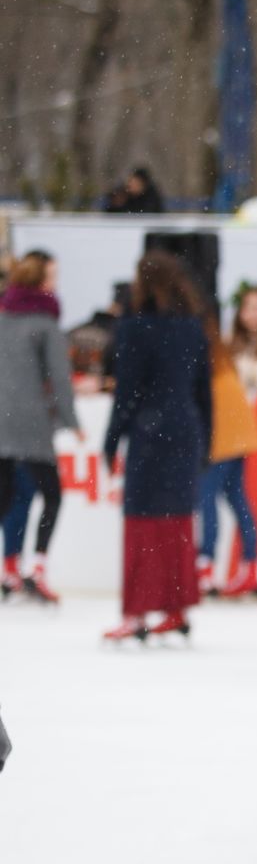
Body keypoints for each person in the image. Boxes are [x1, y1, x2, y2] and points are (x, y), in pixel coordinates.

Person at [101, 252, 211, 642]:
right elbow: (203, 391)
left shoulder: (134, 329)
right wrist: (206, 441)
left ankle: (136, 613)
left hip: (151, 434)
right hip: (185, 431)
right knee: (177, 522)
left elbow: (127, 392)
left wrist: (111, 440)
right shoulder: (193, 328)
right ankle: (176, 609)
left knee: (143, 523)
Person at [0, 251, 80, 603]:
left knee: (9, 496)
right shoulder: (46, 324)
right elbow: (59, 379)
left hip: (1, 419)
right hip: (32, 421)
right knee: (51, 494)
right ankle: (38, 567)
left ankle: (10, 566)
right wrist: (71, 421)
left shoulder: (3, 317)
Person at [200, 314, 257, 597]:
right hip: (238, 435)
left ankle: (207, 564)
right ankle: (253, 564)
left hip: (224, 439)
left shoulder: (207, 365)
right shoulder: (223, 362)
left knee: (207, 496)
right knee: (236, 496)